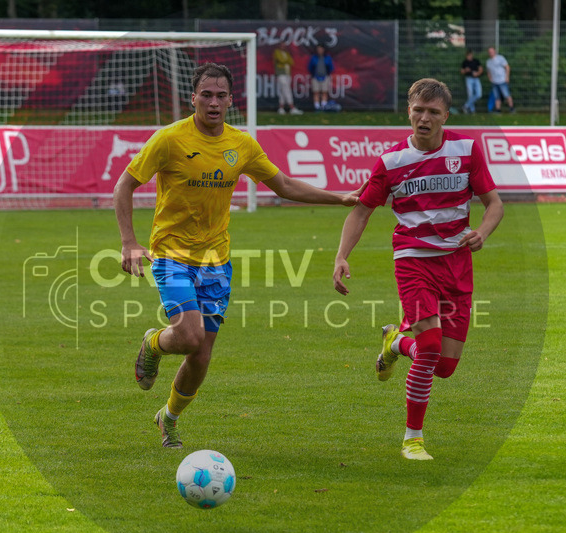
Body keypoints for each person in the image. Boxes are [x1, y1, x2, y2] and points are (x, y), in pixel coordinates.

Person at [114, 62, 361, 449]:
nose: (214, 103)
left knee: (201, 355)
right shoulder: (169, 139)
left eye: (221, 96)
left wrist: (339, 197)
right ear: (192, 97)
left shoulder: (241, 144)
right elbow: (124, 185)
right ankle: (154, 344)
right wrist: (129, 242)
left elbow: (283, 184)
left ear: (231, 99)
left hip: (217, 261)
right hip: (171, 254)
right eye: (206, 95)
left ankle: (170, 418)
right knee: (191, 336)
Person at [332, 78, 504, 461]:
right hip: (413, 261)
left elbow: (494, 204)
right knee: (428, 349)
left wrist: (482, 232)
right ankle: (413, 438)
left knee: (444, 367)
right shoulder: (391, 162)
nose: (424, 119)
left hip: (457, 263)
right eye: (418, 110)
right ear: (407, 111)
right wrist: (342, 256)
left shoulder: (466, 150)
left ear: (446, 116)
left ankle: (395, 341)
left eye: (433, 112)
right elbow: (362, 210)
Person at [273, 40, 303, 115]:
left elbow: (291, 62)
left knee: (283, 91)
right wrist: (286, 61)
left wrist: (286, 60)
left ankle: (281, 108)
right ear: (279, 46)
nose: (283, 46)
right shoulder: (277, 52)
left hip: (287, 73)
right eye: (282, 45)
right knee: (286, 89)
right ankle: (292, 107)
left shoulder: (287, 53)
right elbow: (281, 60)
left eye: (284, 45)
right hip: (281, 73)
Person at [485, 46, 513, 113]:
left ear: (494, 51)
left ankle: (511, 108)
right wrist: (490, 79)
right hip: (494, 82)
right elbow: (488, 71)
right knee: (497, 96)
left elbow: (507, 67)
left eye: (492, 51)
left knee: (506, 95)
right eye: (489, 52)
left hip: (502, 80)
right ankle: (498, 110)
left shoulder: (500, 58)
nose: (491, 53)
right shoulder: (488, 62)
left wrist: (507, 77)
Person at [307, 44, 334, 111]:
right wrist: (313, 74)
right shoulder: (314, 58)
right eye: (318, 49)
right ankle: (317, 106)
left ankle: (323, 106)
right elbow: (310, 67)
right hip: (315, 77)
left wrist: (327, 73)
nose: (319, 50)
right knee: (316, 92)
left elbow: (331, 67)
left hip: (325, 77)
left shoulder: (327, 58)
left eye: (321, 49)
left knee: (324, 91)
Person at [460, 50, 483, 114]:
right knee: (470, 95)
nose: (469, 57)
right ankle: (472, 110)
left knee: (479, 94)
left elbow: (481, 69)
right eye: (468, 56)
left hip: (476, 79)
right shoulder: (465, 62)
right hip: (469, 79)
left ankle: (466, 106)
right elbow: (462, 71)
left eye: (470, 55)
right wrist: (465, 70)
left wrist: (477, 73)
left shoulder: (476, 61)